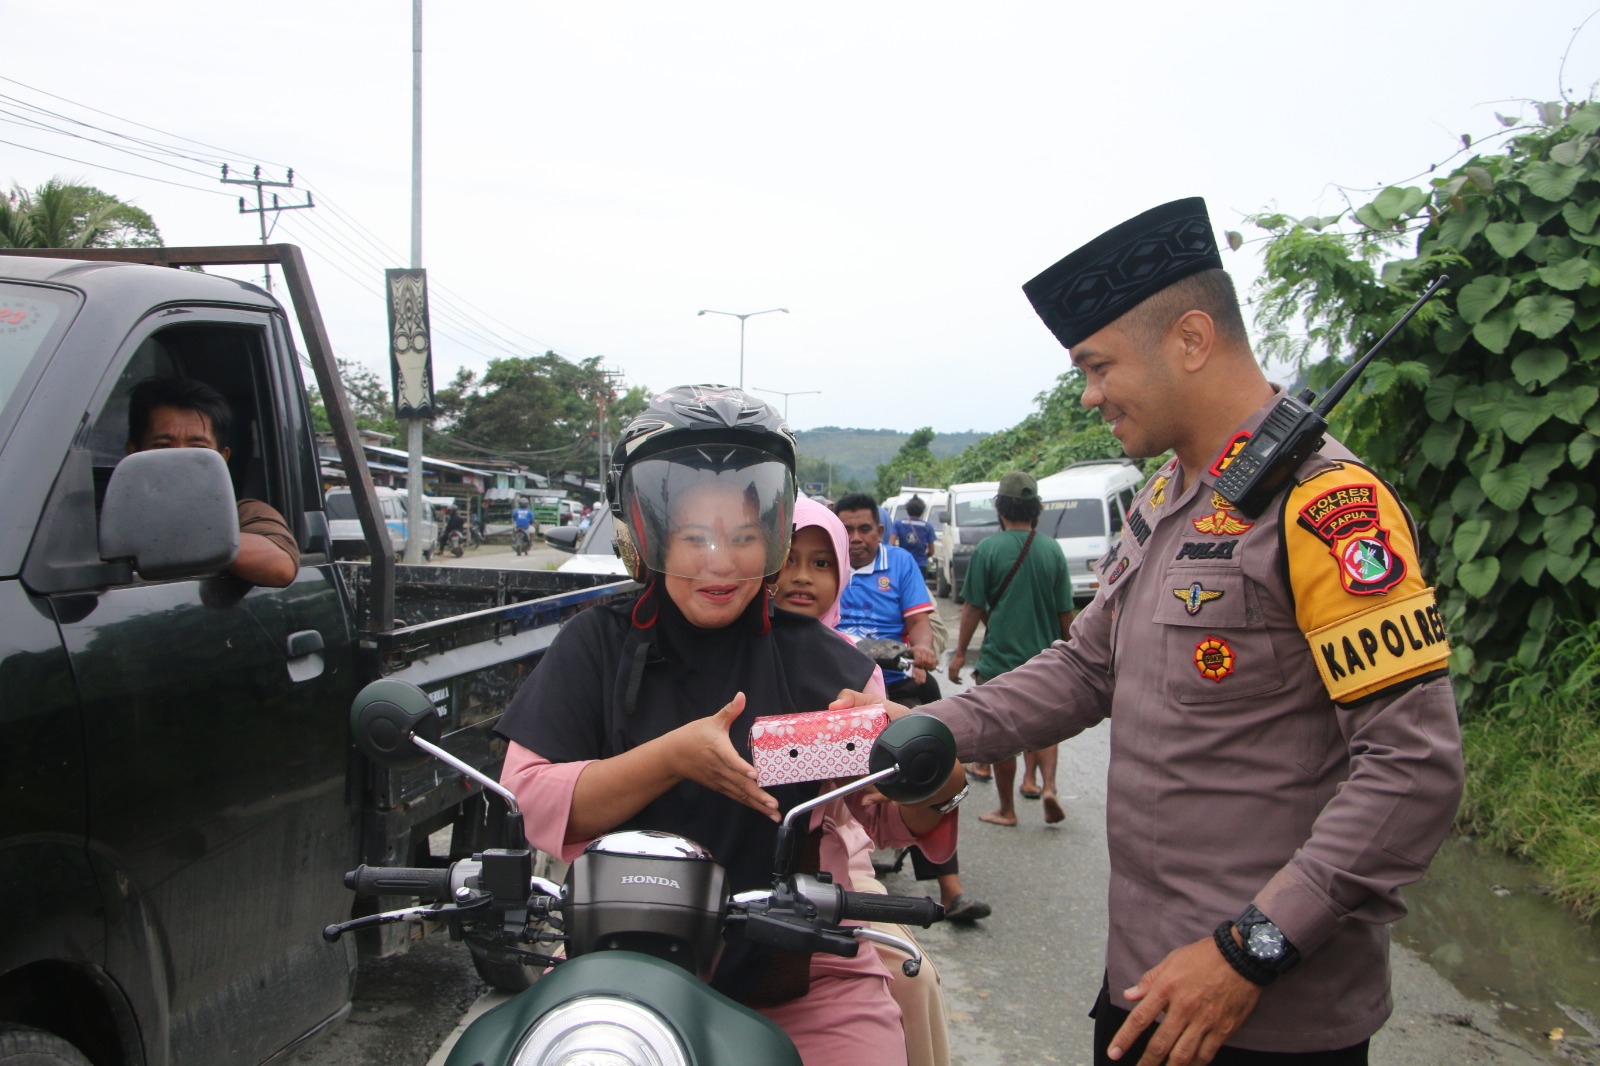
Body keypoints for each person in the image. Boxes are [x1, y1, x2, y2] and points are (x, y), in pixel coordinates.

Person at [836, 197, 1463, 1065]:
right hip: (1142, 986)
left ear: (1192, 340)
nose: (1089, 395)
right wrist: (920, 731)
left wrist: (1252, 951)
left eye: (1098, 368)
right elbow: (1088, 667)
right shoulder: (1172, 495)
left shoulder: (1329, 510)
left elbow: (1415, 770)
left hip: (1263, 1013)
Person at [495, 386, 968, 1066]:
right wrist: (673, 758)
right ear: (646, 532)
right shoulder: (594, 646)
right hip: (617, 968)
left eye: (745, 537)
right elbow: (532, 803)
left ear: (775, 534)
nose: (720, 561)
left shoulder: (827, 667)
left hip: (803, 977)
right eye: (694, 536)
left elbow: (895, 822)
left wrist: (926, 761)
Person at [775, 495, 952, 1066]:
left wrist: (927, 779)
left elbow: (874, 803)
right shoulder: (723, 648)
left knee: (912, 977)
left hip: (835, 859)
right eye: (788, 559)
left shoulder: (854, 668)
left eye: (822, 563)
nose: (802, 577)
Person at [834, 492, 990, 924]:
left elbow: (921, 623)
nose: (855, 538)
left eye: (864, 528)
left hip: (893, 687)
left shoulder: (900, 565)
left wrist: (921, 650)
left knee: (931, 758)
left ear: (880, 532)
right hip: (834, 695)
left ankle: (950, 887)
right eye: (845, 529)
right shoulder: (828, 565)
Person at [947, 471, 1074, 828]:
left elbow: (972, 607)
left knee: (1004, 734)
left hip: (1000, 659)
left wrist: (959, 654)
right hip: (1047, 658)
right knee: (1047, 727)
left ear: (1001, 508)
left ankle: (1007, 810)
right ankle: (1046, 787)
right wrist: (1072, 651)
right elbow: (1066, 611)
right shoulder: (1052, 549)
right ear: (1035, 509)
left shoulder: (988, 549)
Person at [125, 376, 297, 588]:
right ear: (133, 453)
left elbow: (280, 567)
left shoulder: (245, 513)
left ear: (222, 458)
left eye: (198, 448)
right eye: (162, 446)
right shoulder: (108, 516)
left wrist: (177, 536)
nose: (181, 460)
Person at [892, 496, 938, 578]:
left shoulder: (898, 523)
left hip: (903, 564)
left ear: (907, 509)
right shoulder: (927, 527)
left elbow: (891, 544)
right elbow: (931, 551)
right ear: (922, 510)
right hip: (920, 565)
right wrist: (924, 556)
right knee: (918, 589)